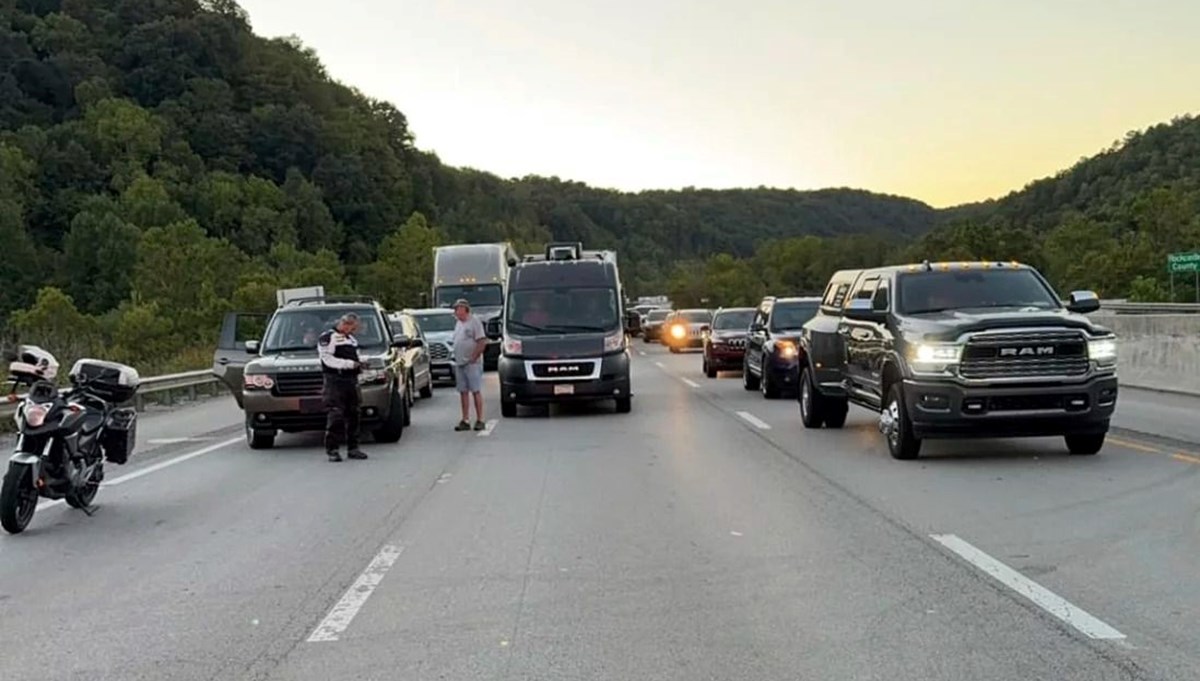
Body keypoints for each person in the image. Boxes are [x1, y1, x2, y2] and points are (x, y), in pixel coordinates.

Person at [318, 312, 367, 462]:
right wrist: (349, 364)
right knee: (336, 414)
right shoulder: (328, 337)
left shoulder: (350, 339)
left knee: (354, 413)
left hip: (351, 380)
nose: (354, 332)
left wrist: (361, 363)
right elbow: (327, 359)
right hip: (335, 380)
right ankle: (332, 449)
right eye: (353, 328)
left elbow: (355, 357)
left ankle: (353, 448)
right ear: (345, 324)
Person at [451, 298, 488, 431]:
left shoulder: (474, 322)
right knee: (463, 391)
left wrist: (474, 357)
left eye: (459, 309)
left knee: (475, 390)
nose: (457, 312)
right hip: (460, 362)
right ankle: (465, 419)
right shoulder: (458, 324)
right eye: (456, 309)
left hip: (472, 363)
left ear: (465, 309)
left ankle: (480, 419)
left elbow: (481, 341)